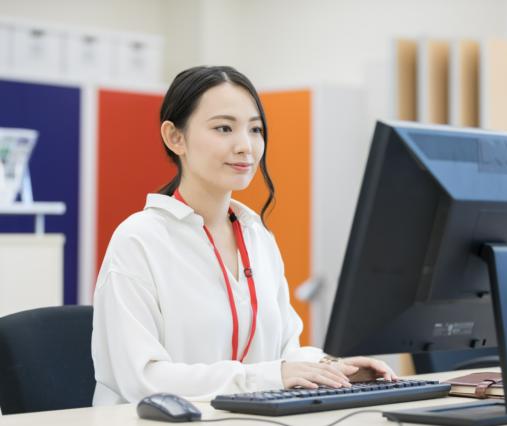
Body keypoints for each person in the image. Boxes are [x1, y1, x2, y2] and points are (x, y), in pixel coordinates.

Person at [91, 66, 397, 405]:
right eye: (224, 128)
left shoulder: (258, 237)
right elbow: (142, 378)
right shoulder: (139, 240)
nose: (246, 147)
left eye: (255, 130)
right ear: (175, 137)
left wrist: (331, 368)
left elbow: (284, 350)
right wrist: (270, 376)